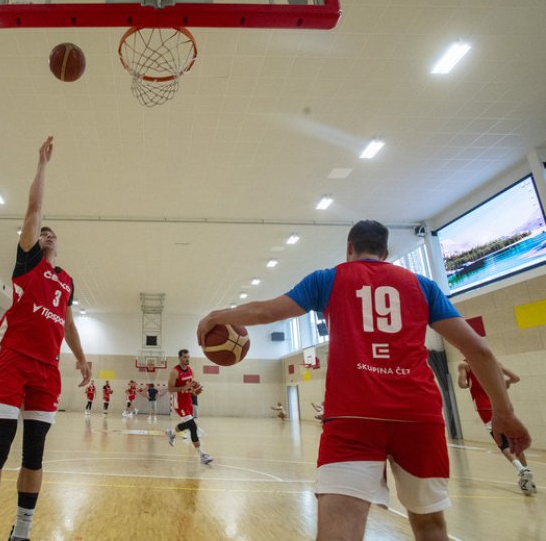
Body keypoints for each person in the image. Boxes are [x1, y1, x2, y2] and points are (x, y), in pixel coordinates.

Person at [197, 220, 530, 541]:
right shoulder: (423, 286)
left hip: (353, 417)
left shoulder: (327, 280)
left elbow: (265, 312)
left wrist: (216, 316)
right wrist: (504, 412)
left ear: (349, 248)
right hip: (418, 416)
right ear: (385, 252)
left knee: (338, 530)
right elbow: (479, 350)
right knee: (431, 527)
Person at [0, 137, 91, 541]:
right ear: (34, 241)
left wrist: (82, 358)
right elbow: (34, 209)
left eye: (52, 234)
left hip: (47, 370)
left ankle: (21, 531)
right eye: (42, 233)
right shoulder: (27, 265)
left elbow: (68, 325)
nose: (47, 234)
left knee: (34, 454)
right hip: (15, 360)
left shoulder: (67, 281)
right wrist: (42, 165)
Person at [457, 361, 535, 495]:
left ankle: (521, 470)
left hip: (485, 408)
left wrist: (462, 375)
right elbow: (515, 378)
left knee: (502, 442)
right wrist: (506, 383)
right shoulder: (493, 362)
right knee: (513, 440)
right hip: (503, 406)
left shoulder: (465, 365)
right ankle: (526, 471)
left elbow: (462, 385)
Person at [164, 349, 212, 465]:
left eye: (188, 357)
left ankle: (171, 432)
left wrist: (194, 389)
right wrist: (185, 387)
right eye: (185, 357)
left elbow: (190, 385)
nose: (187, 359)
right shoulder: (174, 372)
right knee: (193, 426)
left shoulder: (190, 370)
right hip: (179, 402)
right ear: (180, 358)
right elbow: (170, 389)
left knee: (189, 425)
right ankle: (202, 455)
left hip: (188, 401)